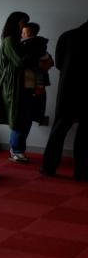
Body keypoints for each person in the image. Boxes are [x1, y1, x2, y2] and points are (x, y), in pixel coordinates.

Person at [41, 20, 88, 180]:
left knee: (58, 130)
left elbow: (59, 64)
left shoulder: (67, 36)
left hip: (68, 90)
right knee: (84, 135)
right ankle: (81, 172)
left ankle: (48, 167)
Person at [0, 11, 40, 163]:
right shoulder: (10, 40)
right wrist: (35, 54)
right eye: (23, 22)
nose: (24, 26)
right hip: (15, 87)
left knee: (25, 118)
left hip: (24, 85)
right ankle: (16, 150)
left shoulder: (16, 40)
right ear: (15, 23)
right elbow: (20, 62)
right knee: (19, 118)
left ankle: (18, 149)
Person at [20, 22, 52, 125]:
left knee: (40, 73)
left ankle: (40, 86)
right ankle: (40, 86)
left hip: (36, 71)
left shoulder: (32, 43)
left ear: (30, 32)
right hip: (37, 68)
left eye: (24, 32)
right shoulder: (36, 42)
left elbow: (41, 64)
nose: (22, 34)